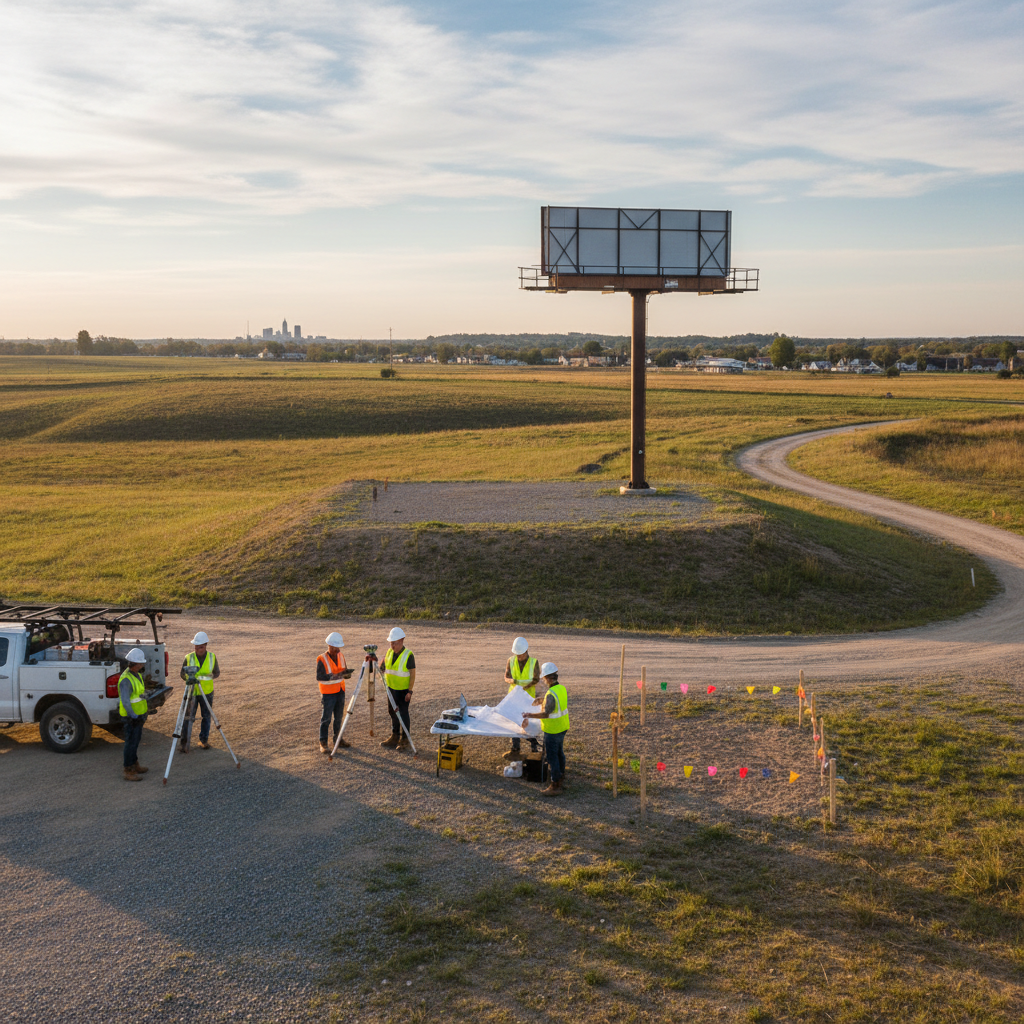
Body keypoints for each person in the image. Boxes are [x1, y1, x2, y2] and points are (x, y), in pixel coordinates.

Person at [521, 662, 569, 796]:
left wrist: (529, 715)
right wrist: (543, 699)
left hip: (553, 730)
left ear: (547, 677)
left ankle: (555, 785)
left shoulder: (551, 694)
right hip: (563, 726)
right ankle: (561, 775)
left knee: (552, 757)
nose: (543, 680)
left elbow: (546, 713)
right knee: (560, 753)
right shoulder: (561, 688)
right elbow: (557, 704)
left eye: (543, 678)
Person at [180, 631, 220, 753]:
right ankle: (184, 744)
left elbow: (217, 672)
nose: (198, 649)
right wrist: (190, 679)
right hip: (192, 692)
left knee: (206, 716)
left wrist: (205, 678)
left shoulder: (212, 657)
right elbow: (182, 674)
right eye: (196, 647)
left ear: (206, 645)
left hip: (207, 692)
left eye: (201, 647)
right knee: (187, 718)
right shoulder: (188, 657)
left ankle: (203, 740)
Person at [503, 636, 540, 761]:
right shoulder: (511, 660)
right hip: (514, 697)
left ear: (526, 651)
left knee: (529, 723)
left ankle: (534, 748)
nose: (518, 656)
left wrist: (524, 688)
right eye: (516, 654)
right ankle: (515, 749)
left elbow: (536, 679)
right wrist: (512, 681)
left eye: (520, 654)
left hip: (528, 698)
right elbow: (506, 677)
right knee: (515, 722)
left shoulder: (534, 662)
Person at [118, 648, 150, 781]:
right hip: (131, 717)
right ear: (134, 664)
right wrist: (132, 715)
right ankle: (128, 769)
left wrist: (145, 695)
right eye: (140, 663)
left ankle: (134, 764)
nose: (142, 665)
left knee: (135, 742)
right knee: (130, 743)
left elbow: (136, 695)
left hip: (138, 715)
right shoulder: (126, 679)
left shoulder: (135, 675)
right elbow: (126, 701)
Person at [317, 631, 352, 754]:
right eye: (336, 648)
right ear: (330, 646)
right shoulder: (321, 659)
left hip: (340, 691)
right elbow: (320, 677)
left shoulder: (341, 656)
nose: (338, 650)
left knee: (338, 718)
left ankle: (338, 739)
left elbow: (344, 671)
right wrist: (336, 676)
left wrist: (346, 674)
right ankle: (323, 743)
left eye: (339, 648)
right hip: (328, 694)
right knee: (326, 719)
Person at [380, 627, 414, 750]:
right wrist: (381, 666)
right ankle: (395, 736)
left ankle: (405, 739)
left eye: (395, 643)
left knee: (403, 714)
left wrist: (410, 691)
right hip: (391, 689)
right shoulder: (389, 652)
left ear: (402, 640)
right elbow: (384, 666)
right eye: (391, 643)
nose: (393, 645)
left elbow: (412, 674)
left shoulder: (408, 655)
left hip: (403, 690)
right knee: (392, 712)